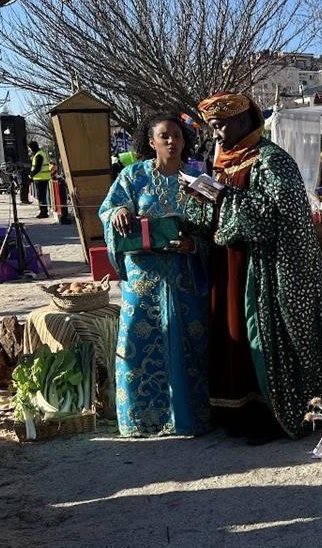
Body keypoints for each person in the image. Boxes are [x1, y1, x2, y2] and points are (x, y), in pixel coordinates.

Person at [184, 92, 322, 445]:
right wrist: (201, 199)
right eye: (213, 127)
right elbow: (215, 217)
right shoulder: (222, 161)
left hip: (268, 271)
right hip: (231, 266)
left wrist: (224, 198)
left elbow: (280, 218)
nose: (216, 134)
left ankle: (272, 414)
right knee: (235, 337)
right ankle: (237, 412)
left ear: (245, 121)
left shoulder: (271, 161)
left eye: (221, 125)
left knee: (263, 334)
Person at [98, 114, 210, 437]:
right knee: (137, 340)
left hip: (183, 275)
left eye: (177, 136)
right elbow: (108, 209)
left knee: (191, 342)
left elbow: (209, 229)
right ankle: (142, 418)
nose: (172, 142)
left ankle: (192, 416)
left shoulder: (195, 181)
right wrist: (118, 212)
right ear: (151, 142)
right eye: (165, 136)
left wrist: (193, 244)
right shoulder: (133, 176)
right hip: (143, 278)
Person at [27, 141, 51, 218]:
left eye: (30, 148)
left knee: (41, 196)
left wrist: (30, 176)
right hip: (43, 177)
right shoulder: (41, 153)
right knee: (42, 196)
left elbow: (37, 168)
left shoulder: (38, 155)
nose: (30, 150)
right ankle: (43, 211)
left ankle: (43, 212)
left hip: (41, 178)